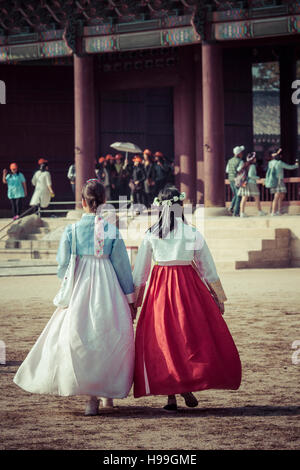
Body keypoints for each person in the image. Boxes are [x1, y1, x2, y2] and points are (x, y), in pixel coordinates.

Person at [14, 179, 136, 416]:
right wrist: (130, 298)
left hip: (81, 284)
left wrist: (68, 281)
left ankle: (90, 398)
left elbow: (62, 265)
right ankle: (107, 394)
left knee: (81, 335)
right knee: (109, 335)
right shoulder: (111, 229)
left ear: (82, 202)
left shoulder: (72, 230)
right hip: (108, 284)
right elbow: (122, 266)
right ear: (103, 202)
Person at [132, 185, 242, 411]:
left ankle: (171, 395)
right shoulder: (192, 233)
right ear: (180, 207)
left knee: (164, 338)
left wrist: (135, 300)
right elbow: (206, 267)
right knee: (188, 336)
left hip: (160, 288)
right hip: (188, 287)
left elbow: (140, 272)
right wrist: (217, 296)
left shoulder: (151, 234)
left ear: (159, 209)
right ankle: (186, 384)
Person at [266, 148, 299, 216]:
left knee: (279, 196)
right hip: (279, 181)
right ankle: (274, 212)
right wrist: (296, 165)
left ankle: (277, 211)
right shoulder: (279, 163)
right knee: (278, 196)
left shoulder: (270, 163)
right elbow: (289, 167)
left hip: (273, 181)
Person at [237, 153, 266, 218]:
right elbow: (251, 175)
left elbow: (238, 169)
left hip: (244, 183)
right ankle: (260, 211)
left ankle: (242, 213)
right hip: (251, 183)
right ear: (252, 159)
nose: (255, 159)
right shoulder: (252, 166)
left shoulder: (244, 164)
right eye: (255, 158)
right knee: (256, 197)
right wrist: (258, 178)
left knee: (244, 198)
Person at [225, 145, 245, 216]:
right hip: (237, 180)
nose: (242, 154)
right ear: (239, 153)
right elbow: (239, 170)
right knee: (239, 195)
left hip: (230, 179)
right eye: (241, 152)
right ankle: (236, 212)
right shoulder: (240, 161)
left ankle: (231, 207)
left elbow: (227, 170)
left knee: (235, 195)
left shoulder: (230, 161)